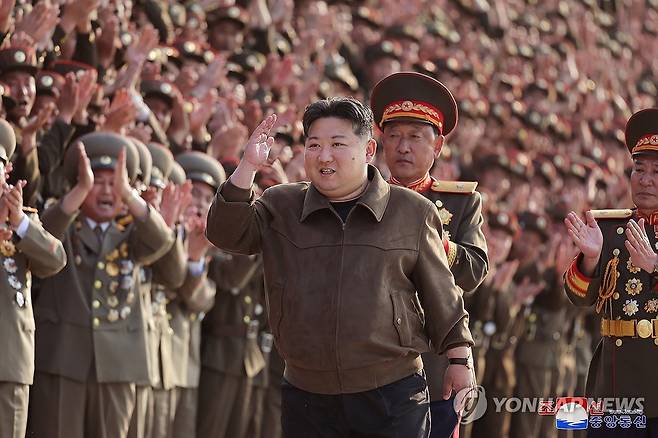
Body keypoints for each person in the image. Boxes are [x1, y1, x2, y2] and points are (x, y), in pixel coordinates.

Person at [206, 97, 474, 437]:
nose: (325, 155)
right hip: (308, 394)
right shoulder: (281, 205)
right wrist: (246, 168)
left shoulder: (411, 211)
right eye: (314, 145)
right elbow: (226, 234)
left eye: (337, 144)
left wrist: (460, 359)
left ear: (367, 150)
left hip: (391, 390)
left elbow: (443, 296)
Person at [28, 133, 174, 438]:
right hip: (63, 360)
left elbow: (162, 242)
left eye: (115, 182)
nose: (107, 190)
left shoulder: (133, 231)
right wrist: (79, 191)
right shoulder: (65, 222)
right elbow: (41, 239)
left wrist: (129, 195)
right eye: (97, 181)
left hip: (118, 365)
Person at [371, 71, 488, 437]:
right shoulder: (363, 199)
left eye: (415, 137)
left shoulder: (460, 201)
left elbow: (474, 271)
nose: (403, 147)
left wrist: (437, 243)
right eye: (394, 136)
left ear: (437, 146)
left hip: (435, 359)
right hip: (370, 356)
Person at [564, 108, 658, 437]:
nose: (646, 179)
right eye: (639, 169)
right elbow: (579, 298)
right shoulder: (611, 228)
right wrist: (590, 259)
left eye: (657, 171)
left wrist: (655, 268)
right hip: (617, 385)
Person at [0, 118, 67, 438]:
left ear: (7, 174)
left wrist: (18, 225)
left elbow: (55, 260)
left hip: (11, 365)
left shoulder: (25, 221)